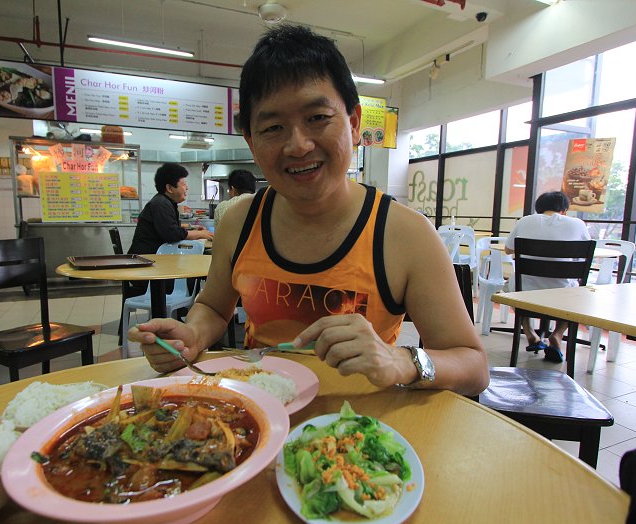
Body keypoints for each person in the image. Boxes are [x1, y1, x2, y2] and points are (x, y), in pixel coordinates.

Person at [129, 25, 488, 395]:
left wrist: (401, 361)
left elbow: (473, 365)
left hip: (360, 430)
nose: (298, 145)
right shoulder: (240, 221)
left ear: (353, 123)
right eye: (273, 127)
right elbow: (216, 309)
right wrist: (191, 335)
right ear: (252, 143)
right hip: (259, 415)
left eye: (317, 118)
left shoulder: (405, 234)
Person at [504, 190, 590, 362]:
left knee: (515, 287)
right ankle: (557, 335)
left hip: (526, 291)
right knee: (577, 293)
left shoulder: (525, 221)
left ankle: (530, 333)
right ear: (565, 210)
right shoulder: (578, 224)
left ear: (539, 208)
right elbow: (585, 255)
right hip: (562, 293)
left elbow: (508, 249)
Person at [127, 162, 214, 294]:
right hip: (147, 267)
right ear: (169, 188)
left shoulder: (164, 202)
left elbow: (171, 226)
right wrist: (200, 234)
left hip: (153, 263)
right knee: (190, 277)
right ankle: (180, 309)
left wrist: (192, 228)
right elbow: (172, 234)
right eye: (184, 184)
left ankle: (180, 309)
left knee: (190, 274)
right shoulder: (160, 204)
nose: (187, 188)